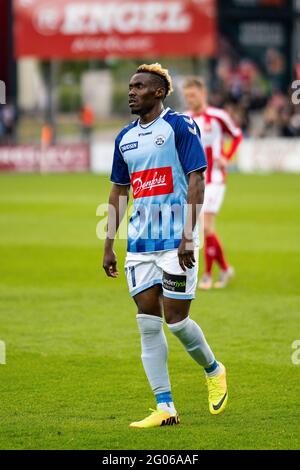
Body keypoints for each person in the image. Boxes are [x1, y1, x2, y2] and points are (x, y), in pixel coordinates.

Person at [103, 64, 228, 429]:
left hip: (177, 241)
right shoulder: (124, 137)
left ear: (158, 92)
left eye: (139, 86)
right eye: (130, 86)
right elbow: (118, 190)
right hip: (140, 244)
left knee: (176, 321)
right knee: (147, 323)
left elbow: (197, 179)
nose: (131, 91)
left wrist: (189, 235)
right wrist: (109, 242)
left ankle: (213, 368)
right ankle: (165, 406)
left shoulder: (179, 127)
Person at [183, 77, 243, 289]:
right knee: (203, 228)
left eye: (193, 95)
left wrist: (227, 156)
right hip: (195, 181)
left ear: (203, 94)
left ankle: (207, 275)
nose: (190, 99)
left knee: (207, 226)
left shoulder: (218, 116)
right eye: (187, 96)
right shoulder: (185, 119)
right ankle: (225, 270)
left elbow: (237, 135)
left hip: (216, 179)